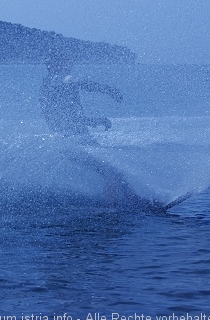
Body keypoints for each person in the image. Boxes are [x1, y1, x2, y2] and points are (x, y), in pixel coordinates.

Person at [39, 55, 148, 207]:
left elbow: (70, 118)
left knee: (114, 168)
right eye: (65, 62)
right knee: (109, 170)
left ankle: (134, 201)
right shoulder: (58, 81)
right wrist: (107, 90)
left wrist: (94, 120)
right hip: (72, 142)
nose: (70, 64)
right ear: (57, 65)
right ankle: (112, 211)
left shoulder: (49, 86)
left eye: (70, 61)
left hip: (75, 139)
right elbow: (75, 83)